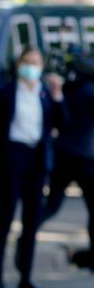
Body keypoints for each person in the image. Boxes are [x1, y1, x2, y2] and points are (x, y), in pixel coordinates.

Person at [0, 47, 67, 288]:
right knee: (6, 217)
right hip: (12, 158)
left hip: (37, 159)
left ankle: (26, 277)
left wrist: (58, 96)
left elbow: (63, 124)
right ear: (19, 64)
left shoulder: (44, 92)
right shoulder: (7, 92)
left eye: (35, 62)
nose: (31, 67)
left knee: (31, 221)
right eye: (27, 61)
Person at [41, 55, 94, 271]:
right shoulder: (90, 91)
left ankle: (28, 232)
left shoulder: (67, 89)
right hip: (87, 159)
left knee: (51, 204)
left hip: (63, 155)